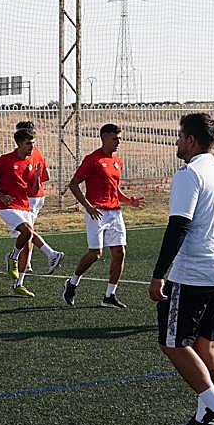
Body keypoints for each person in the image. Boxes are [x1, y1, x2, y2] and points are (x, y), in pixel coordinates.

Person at [149, 113, 214, 425]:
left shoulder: (189, 174)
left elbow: (179, 226)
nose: (177, 142)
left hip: (194, 274)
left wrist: (158, 275)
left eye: (180, 137)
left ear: (190, 140)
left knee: (173, 343)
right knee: (207, 343)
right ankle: (208, 416)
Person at [63, 123, 146, 308]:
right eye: (115, 138)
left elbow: (114, 187)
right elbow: (74, 184)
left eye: (120, 138)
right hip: (97, 213)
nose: (119, 141)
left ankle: (110, 295)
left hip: (115, 213)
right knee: (95, 254)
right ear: (104, 138)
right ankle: (72, 282)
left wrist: (128, 200)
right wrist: (87, 205)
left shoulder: (117, 161)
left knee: (120, 252)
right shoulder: (92, 159)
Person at [0, 127, 40, 298]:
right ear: (20, 144)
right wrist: (0, 194)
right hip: (7, 207)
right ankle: (12, 257)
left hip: (24, 206)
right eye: (29, 144)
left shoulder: (30, 163)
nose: (32, 147)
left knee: (28, 245)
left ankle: (18, 285)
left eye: (33, 144)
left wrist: (36, 177)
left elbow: (33, 191)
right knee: (27, 232)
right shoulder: (5, 160)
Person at [14, 121, 64, 274]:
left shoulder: (27, 153)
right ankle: (26, 263)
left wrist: (30, 183)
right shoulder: (38, 152)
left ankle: (51, 254)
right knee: (26, 230)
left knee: (25, 231)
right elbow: (46, 176)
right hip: (38, 196)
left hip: (30, 197)